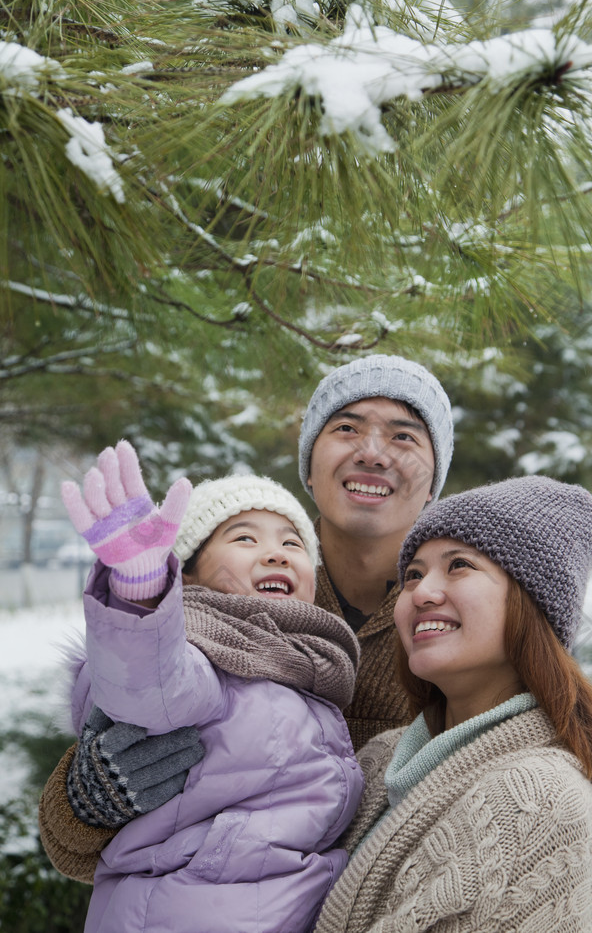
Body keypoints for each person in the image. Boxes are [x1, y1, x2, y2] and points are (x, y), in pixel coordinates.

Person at [38, 354, 454, 879]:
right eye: (347, 428)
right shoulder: (223, 605)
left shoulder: (457, 610)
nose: (372, 452)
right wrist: (89, 802)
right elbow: (74, 850)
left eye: (404, 436)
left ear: (436, 474)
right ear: (309, 462)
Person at [61, 440, 364, 933]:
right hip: (192, 907)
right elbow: (149, 685)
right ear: (192, 571)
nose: (276, 553)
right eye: (245, 539)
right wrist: (141, 592)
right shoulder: (203, 651)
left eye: (293, 543)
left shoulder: (305, 663)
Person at [313, 476, 592, 933]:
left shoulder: (538, 801)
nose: (421, 592)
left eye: (459, 565)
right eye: (413, 574)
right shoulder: (381, 758)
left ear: (530, 603)